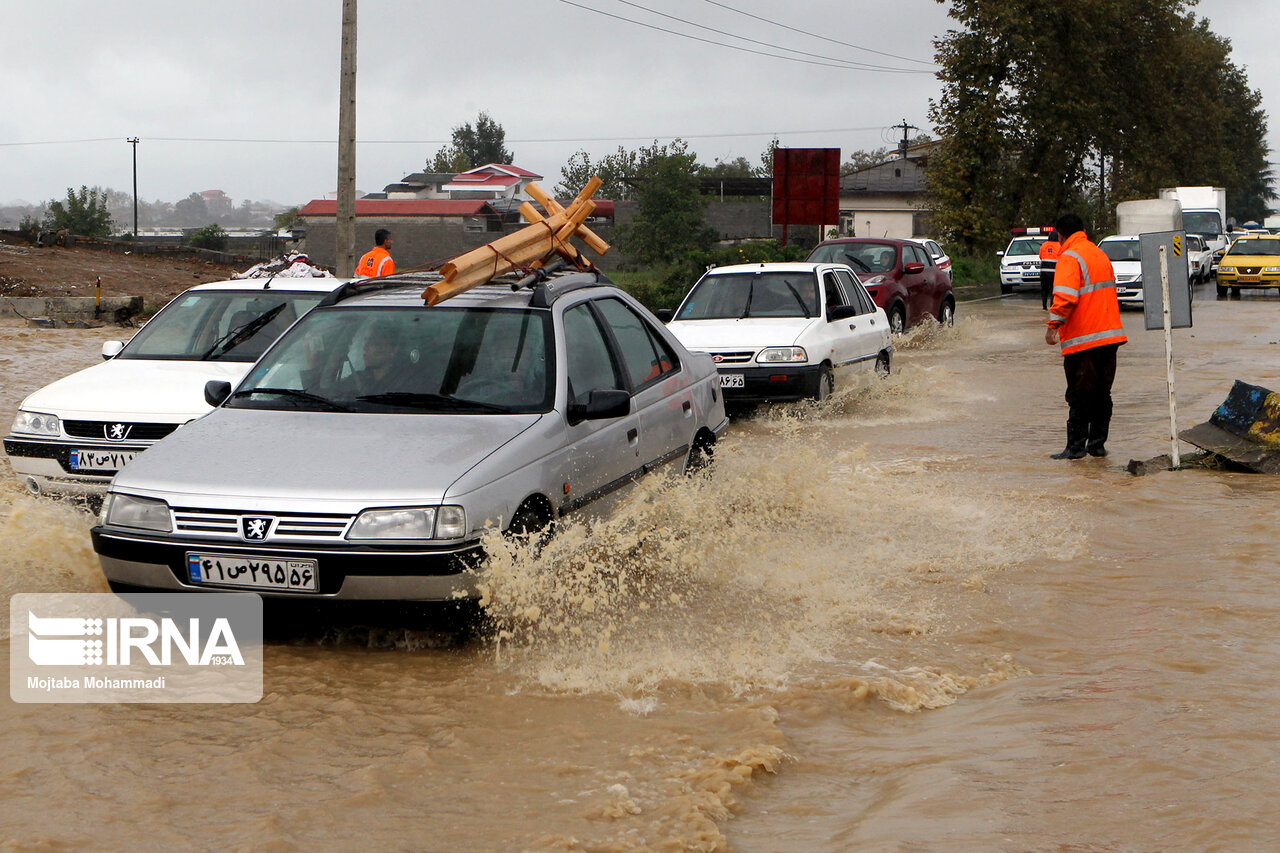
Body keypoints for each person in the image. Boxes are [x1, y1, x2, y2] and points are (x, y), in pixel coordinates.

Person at [1045, 213, 1128, 459]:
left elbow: (1066, 298)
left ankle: (1075, 449)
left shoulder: (1069, 257)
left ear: (1061, 235)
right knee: (1102, 393)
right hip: (1110, 338)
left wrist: (1052, 326)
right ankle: (1097, 446)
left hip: (1084, 340)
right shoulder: (1099, 254)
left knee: (1079, 395)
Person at [1038, 230, 1061, 310]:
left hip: (1044, 271)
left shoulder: (1044, 245)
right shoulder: (1060, 246)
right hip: (1055, 272)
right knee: (1053, 290)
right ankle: (1052, 306)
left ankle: (1044, 307)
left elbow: (1040, 256)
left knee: (1044, 289)